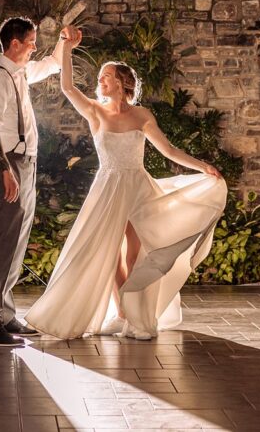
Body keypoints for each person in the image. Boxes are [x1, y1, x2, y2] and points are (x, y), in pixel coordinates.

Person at [24, 26, 227, 340]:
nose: (100, 81)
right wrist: (65, 45)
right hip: (108, 189)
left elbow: (169, 150)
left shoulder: (142, 115)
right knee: (109, 254)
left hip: (137, 188)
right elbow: (66, 87)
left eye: (106, 76)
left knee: (134, 255)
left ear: (120, 82)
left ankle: (135, 317)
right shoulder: (95, 111)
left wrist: (204, 167)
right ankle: (121, 315)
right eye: (101, 77)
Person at [0, 16, 72, 347]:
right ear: (15, 44)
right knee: (4, 243)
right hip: (9, 165)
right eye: (30, 42)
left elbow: (53, 64)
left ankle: (4, 314)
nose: (34, 47)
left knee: (17, 242)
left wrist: (64, 39)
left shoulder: (21, 73)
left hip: (26, 165)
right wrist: (6, 171)